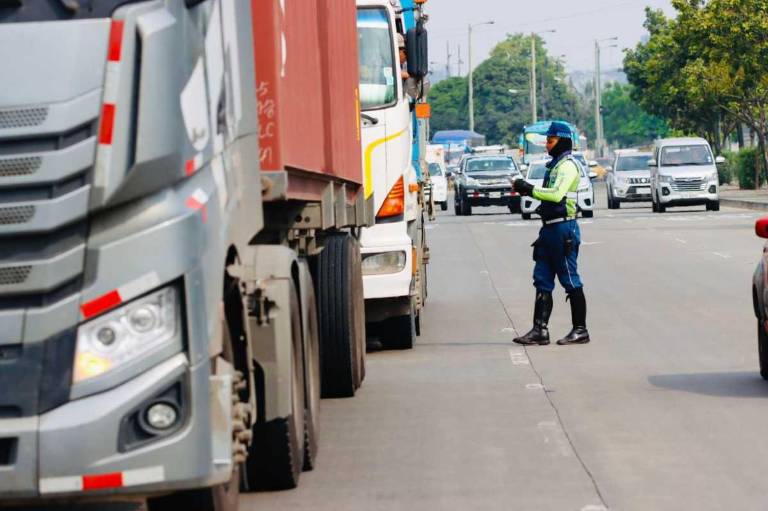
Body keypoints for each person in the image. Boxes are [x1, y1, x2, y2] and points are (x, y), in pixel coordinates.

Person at [511, 121, 590, 346]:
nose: (547, 145)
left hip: (564, 228)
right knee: (542, 279)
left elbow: (556, 196)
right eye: (546, 140)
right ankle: (539, 330)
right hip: (549, 229)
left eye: (550, 140)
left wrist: (528, 188)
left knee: (570, 279)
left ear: (563, 141)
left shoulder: (568, 166)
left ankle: (580, 329)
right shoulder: (554, 166)